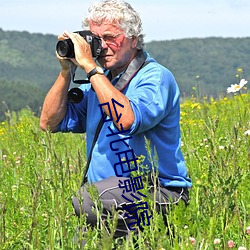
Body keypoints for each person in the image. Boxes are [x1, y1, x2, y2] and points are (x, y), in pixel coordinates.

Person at [40, 0, 192, 245]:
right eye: (96, 39)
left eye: (110, 37)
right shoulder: (99, 83)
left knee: (87, 199)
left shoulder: (154, 77)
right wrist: (66, 70)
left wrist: (90, 67)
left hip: (157, 192)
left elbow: (126, 120)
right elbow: (49, 122)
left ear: (133, 38)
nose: (102, 47)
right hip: (111, 201)